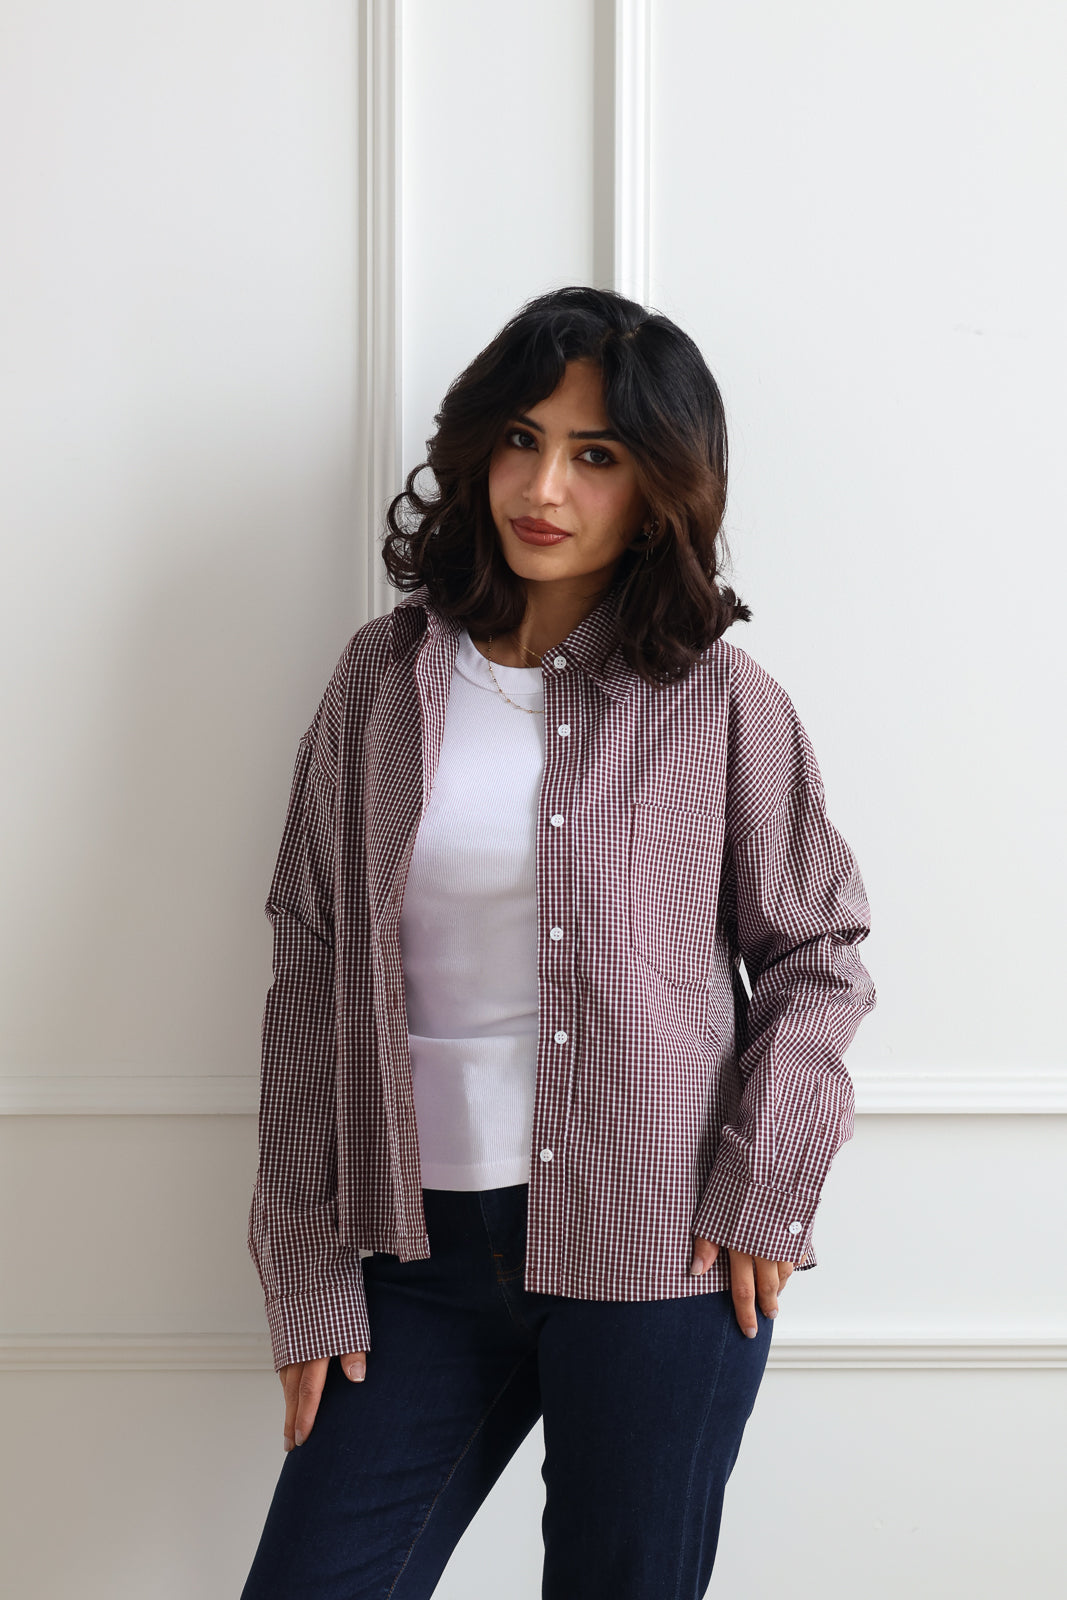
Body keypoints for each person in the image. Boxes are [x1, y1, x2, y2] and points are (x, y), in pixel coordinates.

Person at [239, 285, 876, 1599]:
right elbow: (308, 971)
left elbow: (817, 952)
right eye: (522, 441)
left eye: (597, 456)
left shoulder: (720, 700)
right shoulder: (382, 683)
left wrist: (765, 1186)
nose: (543, 488)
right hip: (413, 1254)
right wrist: (304, 1264)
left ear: (658, 490)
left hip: (658, 1249)